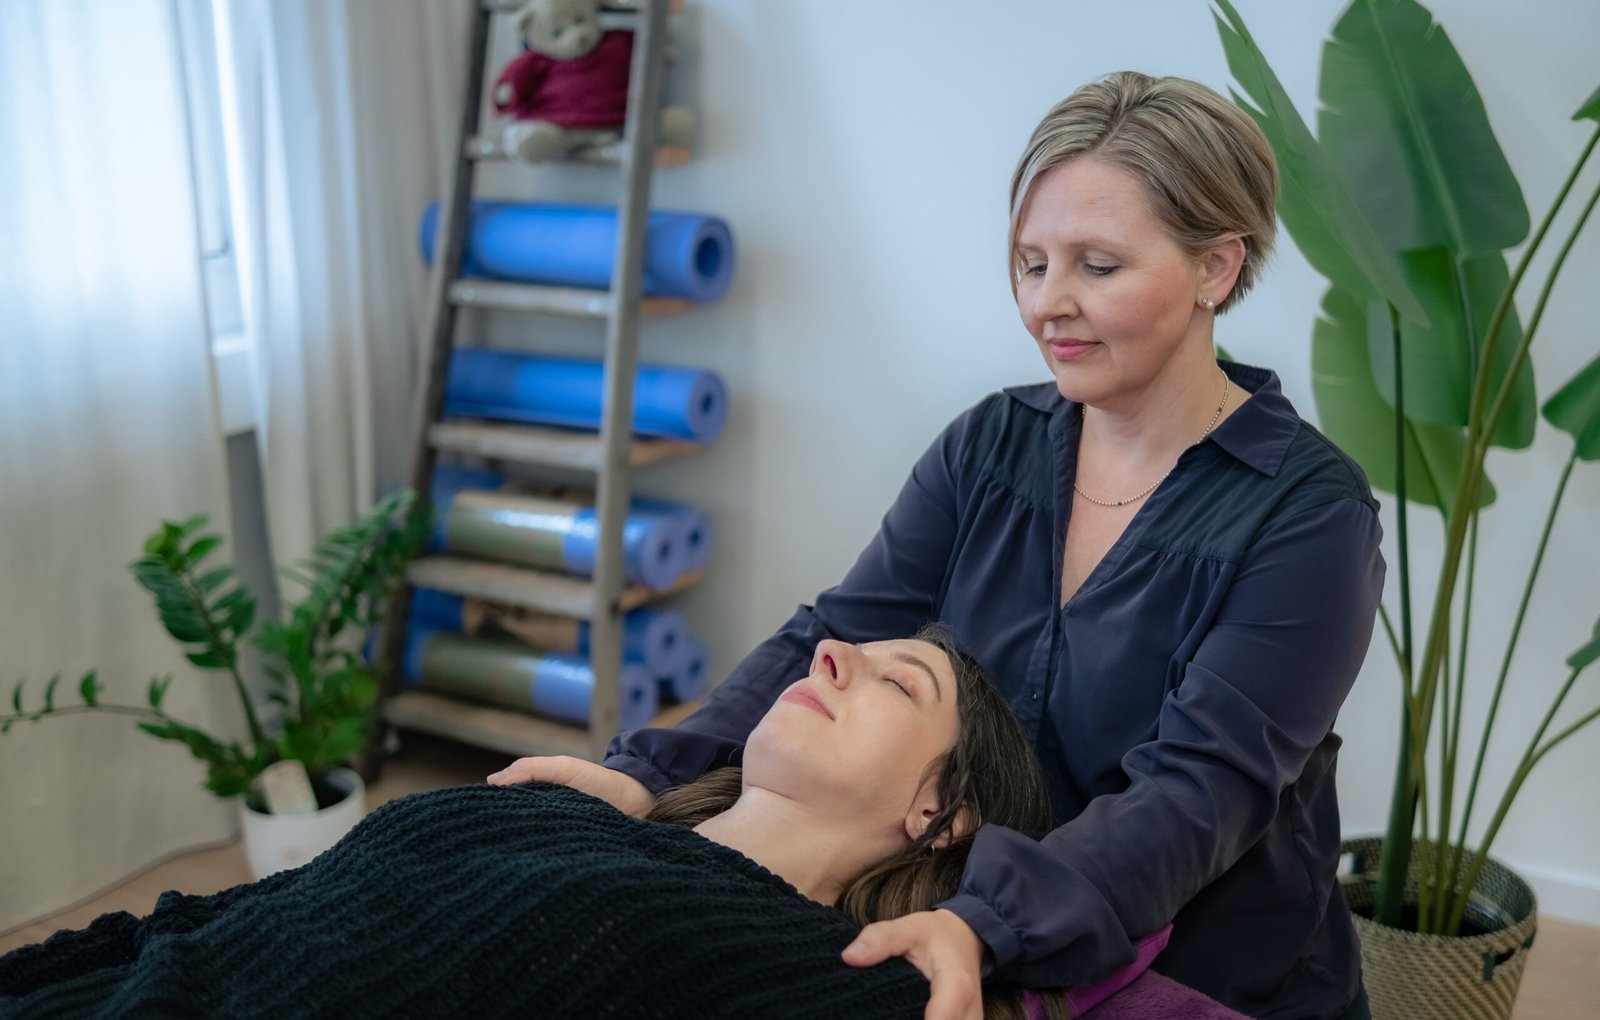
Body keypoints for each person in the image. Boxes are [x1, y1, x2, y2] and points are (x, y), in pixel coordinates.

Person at [493, 71, 1385, 1020]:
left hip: (1205, 976)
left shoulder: (1308, 516)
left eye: (1098, 266)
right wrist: (650, 776)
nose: (1048, 304)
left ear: (1215, 269)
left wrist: (990, 923)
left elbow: (1201, 787)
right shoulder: (989, 446)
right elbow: (834, 635)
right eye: (1031, 263)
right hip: (964, 940)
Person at [0, 628, 1069, 1020]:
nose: (830, 653)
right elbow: (236, 919)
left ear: (940, 814)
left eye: (898, 682)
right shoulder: (581, 810)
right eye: (854, 648)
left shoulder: (842, 979)